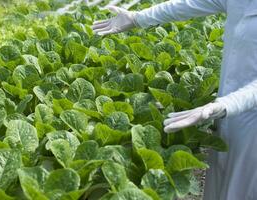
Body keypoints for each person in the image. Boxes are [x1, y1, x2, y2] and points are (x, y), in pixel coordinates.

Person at [92, 0, 257, 199]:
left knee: (241, 189)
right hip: (226, 111)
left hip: (248, 119)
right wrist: (137, 18)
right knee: (218, 184)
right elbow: (188, 5)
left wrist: (225, 105)